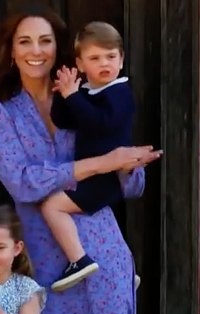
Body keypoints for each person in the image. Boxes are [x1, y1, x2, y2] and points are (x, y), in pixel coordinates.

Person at [0, 7, 160, 314]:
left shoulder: (88, 96)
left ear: (61, 51)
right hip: (47, 260)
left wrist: (128, 165)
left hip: (105, 251)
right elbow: (22, 181)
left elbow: (131, 186)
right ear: (11, 51)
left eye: (45, 41)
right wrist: (102, 162)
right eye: (25, 42)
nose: (36, 51)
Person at [42, 21, 141, 292]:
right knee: (100, 221)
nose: (104, 63)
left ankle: (78, 260)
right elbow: (63, 121)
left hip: (106, 178)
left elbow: (100, 124)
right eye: (95, 58)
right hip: (92, 175)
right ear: (81, 64)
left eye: (111, 56)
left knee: (52, 206)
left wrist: (74, 97)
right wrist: (64, 95)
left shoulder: (120, 93)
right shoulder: (88, 93)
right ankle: (122, 267)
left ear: (121, 60)